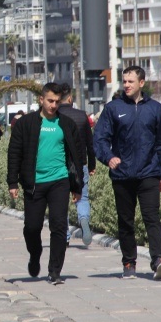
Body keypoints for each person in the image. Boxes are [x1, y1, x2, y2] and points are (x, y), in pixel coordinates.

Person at [93, 65, 161, 281]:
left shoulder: (155, 108)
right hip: (122, 174)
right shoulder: (112, 108)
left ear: (142, 83)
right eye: (124, 81)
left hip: (149, 173)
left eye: (130, 81)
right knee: (125, 220)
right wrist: (109, 158)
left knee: (152, 217)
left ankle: (158, 260)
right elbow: (99, 139)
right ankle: (129, 262)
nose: (126, 85)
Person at [7, 83, 84, 285]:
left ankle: (54, 271)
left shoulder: (66, 123)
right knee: (32, 227)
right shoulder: (26, 123)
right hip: (34, 183)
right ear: (41, 100)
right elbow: (14, 153)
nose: (53, 105)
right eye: (50, 101)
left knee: (59, 226)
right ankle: (35, 253)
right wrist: (12, 182)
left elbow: (77, 155)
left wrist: (77, 186)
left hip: (60, 181)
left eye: (57, 102)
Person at [57, 83, 96, 247]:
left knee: (60, 201)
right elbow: (90, 143)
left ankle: (65, 236)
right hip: (80, 165)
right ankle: (83, 220)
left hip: (59, 165)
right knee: (83, 198)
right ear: (70, 98)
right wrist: (92, 164)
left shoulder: (54, 117)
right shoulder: (82, 116)